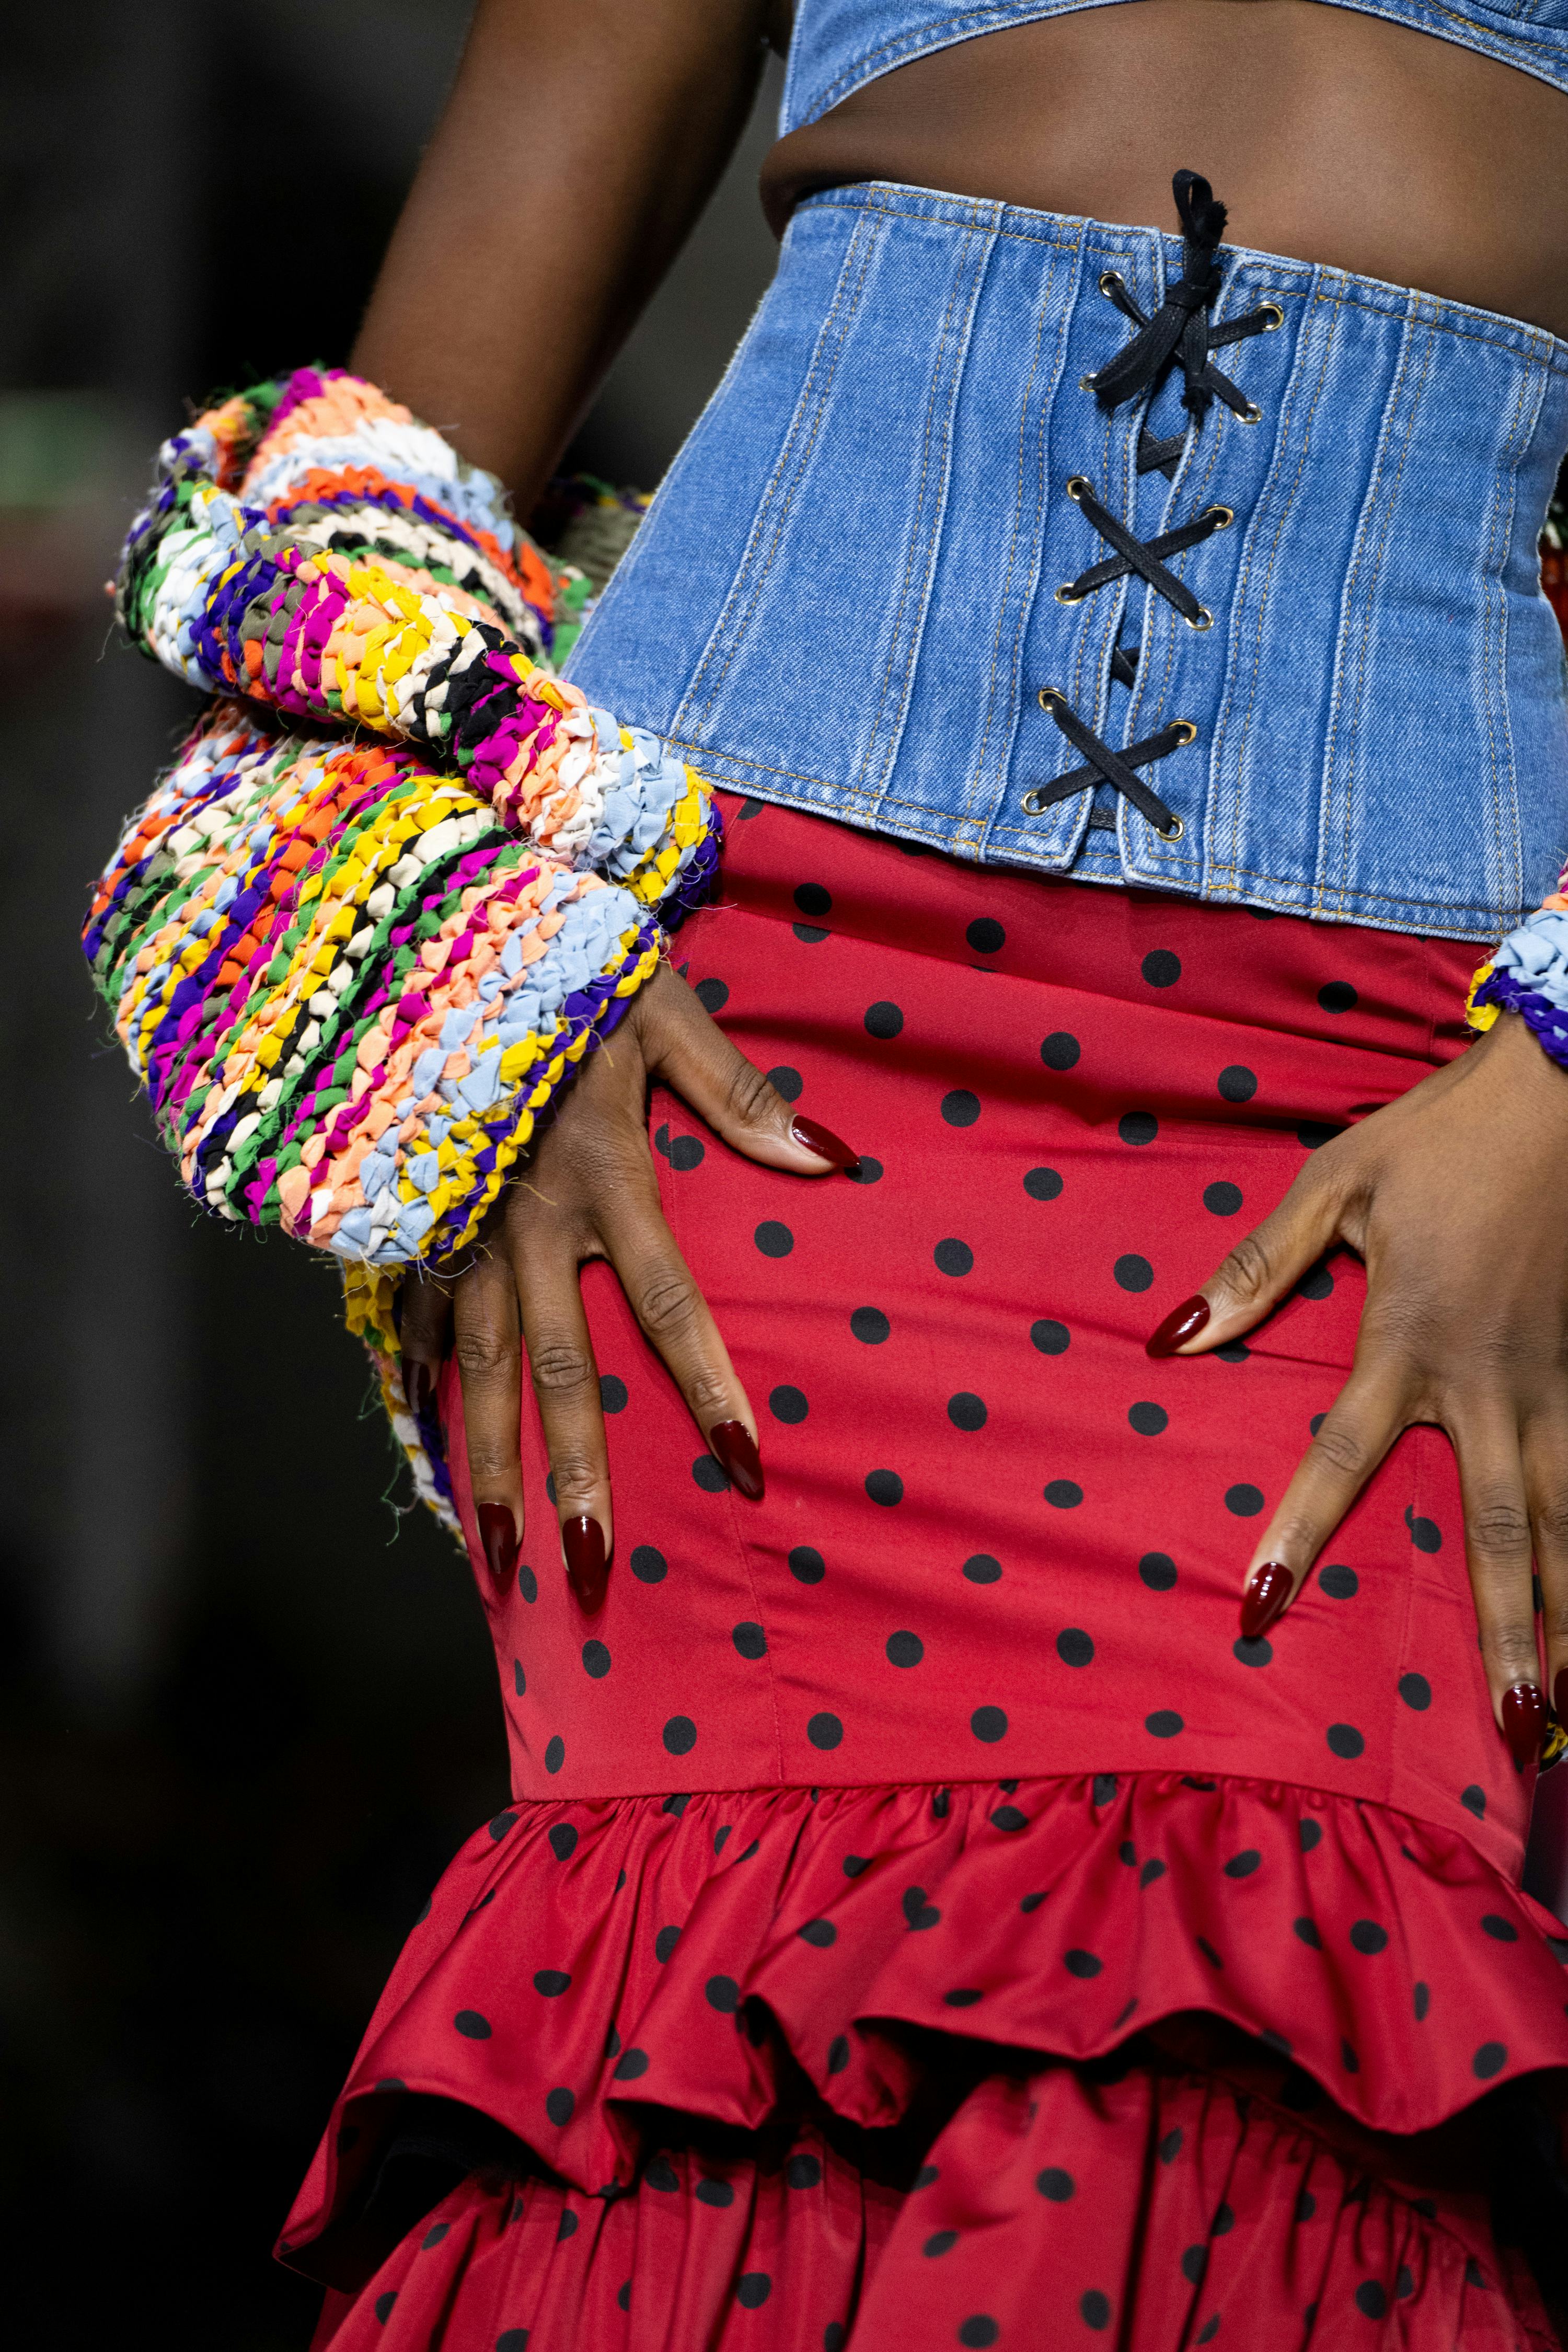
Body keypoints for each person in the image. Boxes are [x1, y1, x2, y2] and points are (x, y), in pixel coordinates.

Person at [88, 1, 1568, 2342]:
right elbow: (419, 406)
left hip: (1407, 1105)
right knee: (693, 2091)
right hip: (735, 1031)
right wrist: (476, 954)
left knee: (1288, 2063)